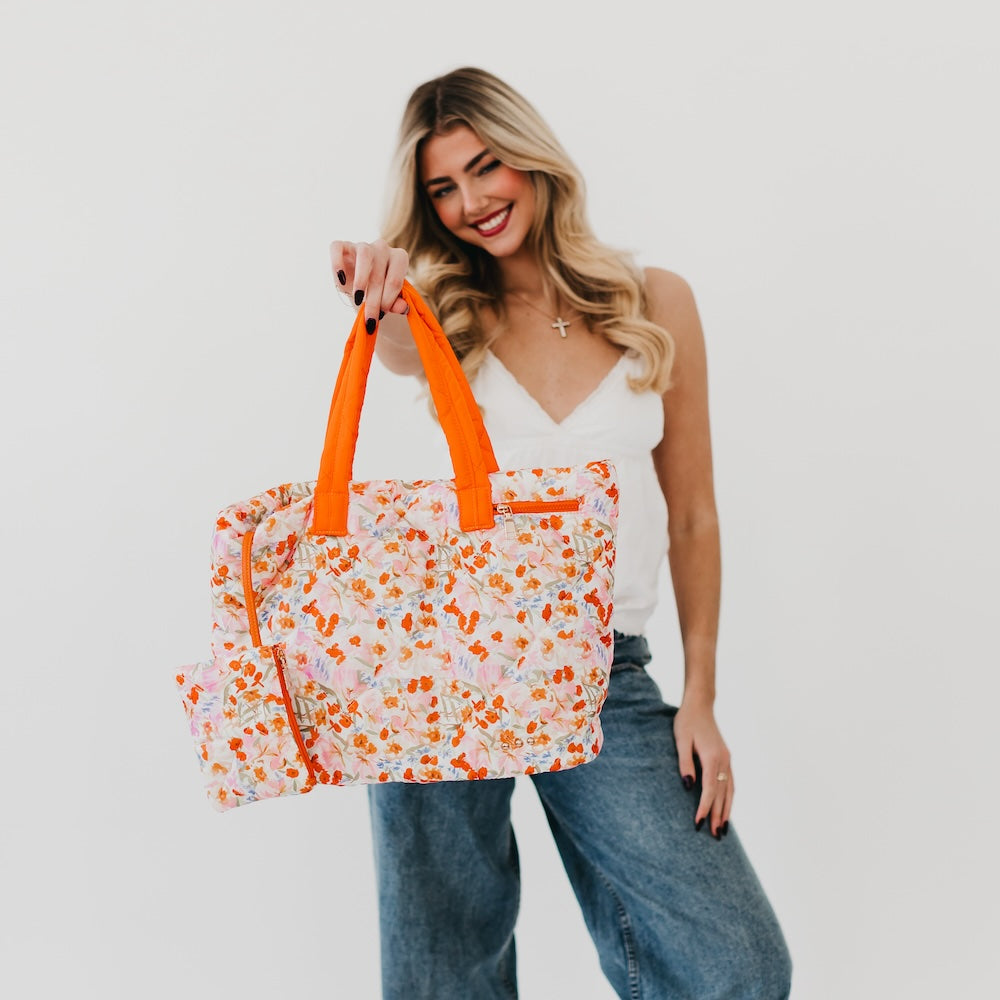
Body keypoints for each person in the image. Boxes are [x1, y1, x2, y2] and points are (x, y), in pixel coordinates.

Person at [330, 66, 792, 1000]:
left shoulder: (655, 302)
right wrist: (373, 271)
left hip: (603, 669)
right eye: (441, 190)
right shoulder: (443, 317)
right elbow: (381, 335)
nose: (470, 203)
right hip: (445, 665)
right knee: (442, 972)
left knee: (738, 970)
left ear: (532, 157)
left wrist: (698, 695)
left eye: (486, 167)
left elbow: (694, 514)